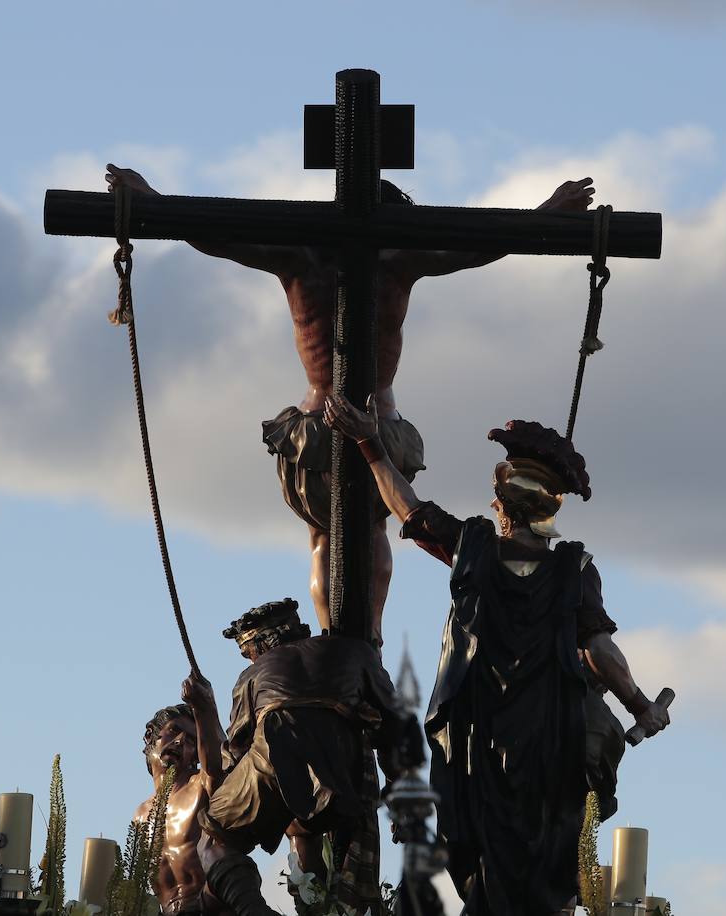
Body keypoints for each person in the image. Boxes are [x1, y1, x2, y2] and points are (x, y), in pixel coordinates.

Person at [105, 164, 596, 645]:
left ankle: (338, 639)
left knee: (325, 537)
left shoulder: (302, 255)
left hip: (318, 421)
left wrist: (154, 201)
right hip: (373, 423)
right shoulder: (397, 257)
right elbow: (482, 245)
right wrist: (545, 212)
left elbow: (214, 235)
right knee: (377, 528)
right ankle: (367, 640)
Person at [323, 399, 672, 916]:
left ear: (501, 500)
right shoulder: (573, 568)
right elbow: (599, 650)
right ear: (549, 508)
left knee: (485, 844)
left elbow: (408, 509)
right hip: (548, 734)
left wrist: (369, 443)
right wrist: (641, 705)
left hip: (476, 735)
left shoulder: (474, 547)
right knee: (547, 837)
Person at [182, 598, 423, 916]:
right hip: (345, 762)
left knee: (214, 840)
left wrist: (205, 716)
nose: (249, 658)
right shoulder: (358, 651)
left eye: (248, 651)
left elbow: (234, 756)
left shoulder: (252, 676)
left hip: (278, 748)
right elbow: (396, 725)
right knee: (300, 823)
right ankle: (315, 906)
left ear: (262, 643)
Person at [134, 698, 231, 915]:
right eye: (174, 731)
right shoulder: (140, 816)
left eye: (190, 741)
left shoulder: (201, 786)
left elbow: (223, 763)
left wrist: (206, 706)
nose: (179, 741)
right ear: (151, 736)